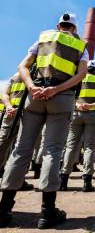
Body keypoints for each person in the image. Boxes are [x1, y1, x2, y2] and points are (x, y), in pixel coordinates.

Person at [0, 13, 88, 229]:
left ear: (59, 25)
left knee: (21, 149)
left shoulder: (42, 39)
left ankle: (3, 209)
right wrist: (56, 89)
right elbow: (82, 74)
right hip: (61, 98)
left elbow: (23, 67)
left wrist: (32, 86)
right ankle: (47, 212)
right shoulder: (80, 45)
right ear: (74, 29)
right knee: (52, 150)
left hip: (34, 96)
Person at [60, 60, 95, 191]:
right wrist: (92, 105)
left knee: (71, 146)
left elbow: (70, 93)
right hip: (93, 115)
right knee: (90, 147)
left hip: (76, 114)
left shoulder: (78, 78)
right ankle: (87, 181)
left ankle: (63, 180)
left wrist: (77, 105)